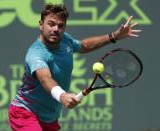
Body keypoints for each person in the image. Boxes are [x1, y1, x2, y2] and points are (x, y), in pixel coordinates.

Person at [8, 3, 142, 131]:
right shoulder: (36, 53)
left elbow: (82, 46)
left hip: (49, 117)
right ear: (41, 25)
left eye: (60, 26)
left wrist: (113, 36)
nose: (56, 29)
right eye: (51, 24)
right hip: (25, 112)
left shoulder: (65, 39)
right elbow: (45, 79)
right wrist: (62, 96)